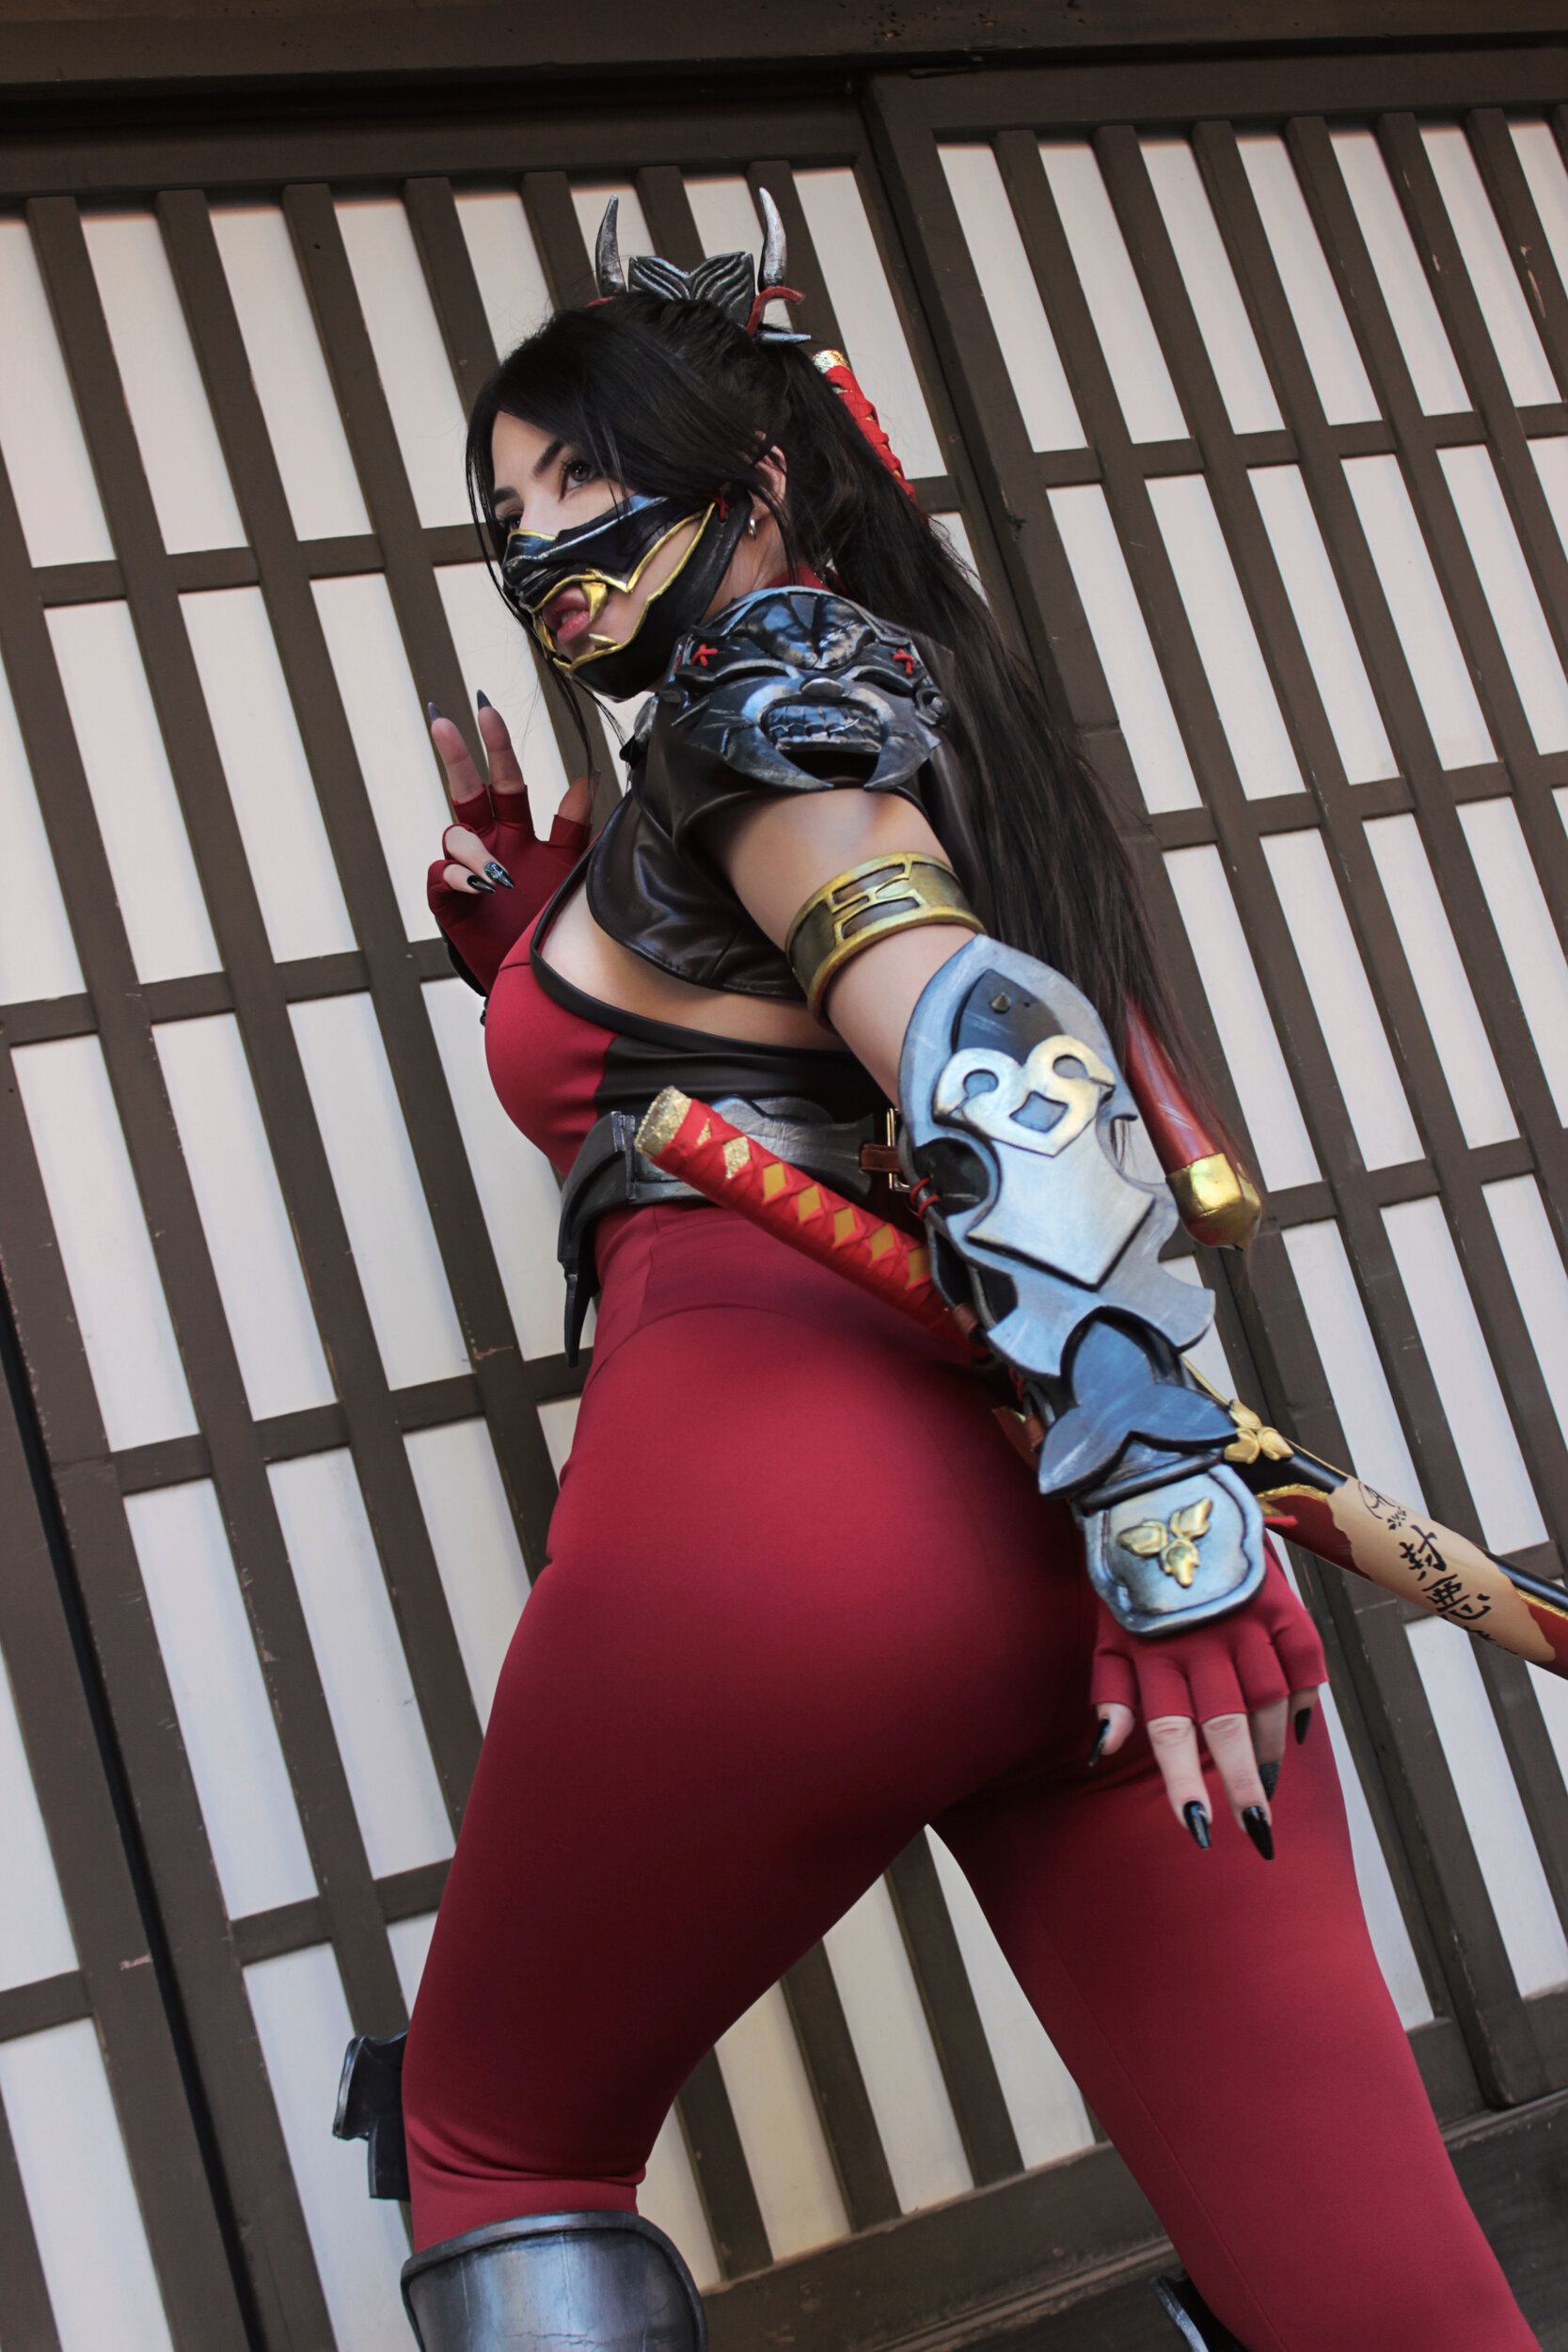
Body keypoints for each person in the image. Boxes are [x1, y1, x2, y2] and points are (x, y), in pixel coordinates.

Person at [371, 202, 1537, 2351]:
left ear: (758, 479)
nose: (537, 546)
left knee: (499, 2145)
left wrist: (1167, 1508)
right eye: (503, 508)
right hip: (1083, 1571)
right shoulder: (881, 707)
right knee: (1359, 2282)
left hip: (792, 1511)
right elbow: (801, 1035)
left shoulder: (761, 701)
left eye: (576, 479)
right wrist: (551, 931)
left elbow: (984, 1049)